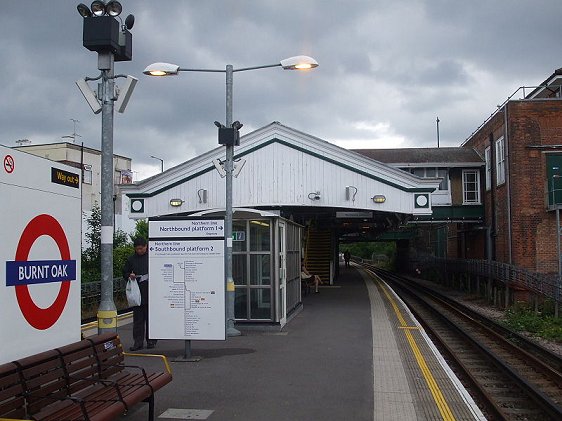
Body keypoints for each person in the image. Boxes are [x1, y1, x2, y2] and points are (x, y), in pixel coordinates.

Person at [123, 237, 157, 351]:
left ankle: (151, 340)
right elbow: (125, 273)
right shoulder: (131, 259)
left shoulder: (151, 258)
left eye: (141, 249)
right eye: (137, 249)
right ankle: (138, 342)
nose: (140, 251)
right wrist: (129, 275)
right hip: (137, 294)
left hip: (150, 292)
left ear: (146, 247)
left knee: (150, 319)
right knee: (138, 320)